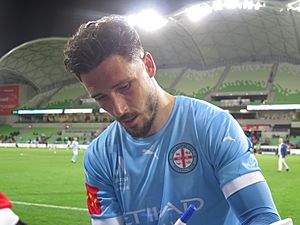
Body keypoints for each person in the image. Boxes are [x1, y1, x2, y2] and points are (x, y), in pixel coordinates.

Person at [64, 15, 292, 225]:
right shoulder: (99, 155)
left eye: (125, 86)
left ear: (148, 65)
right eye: (101, 97)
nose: (119, 109)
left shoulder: (213, 126)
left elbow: (260, 216)